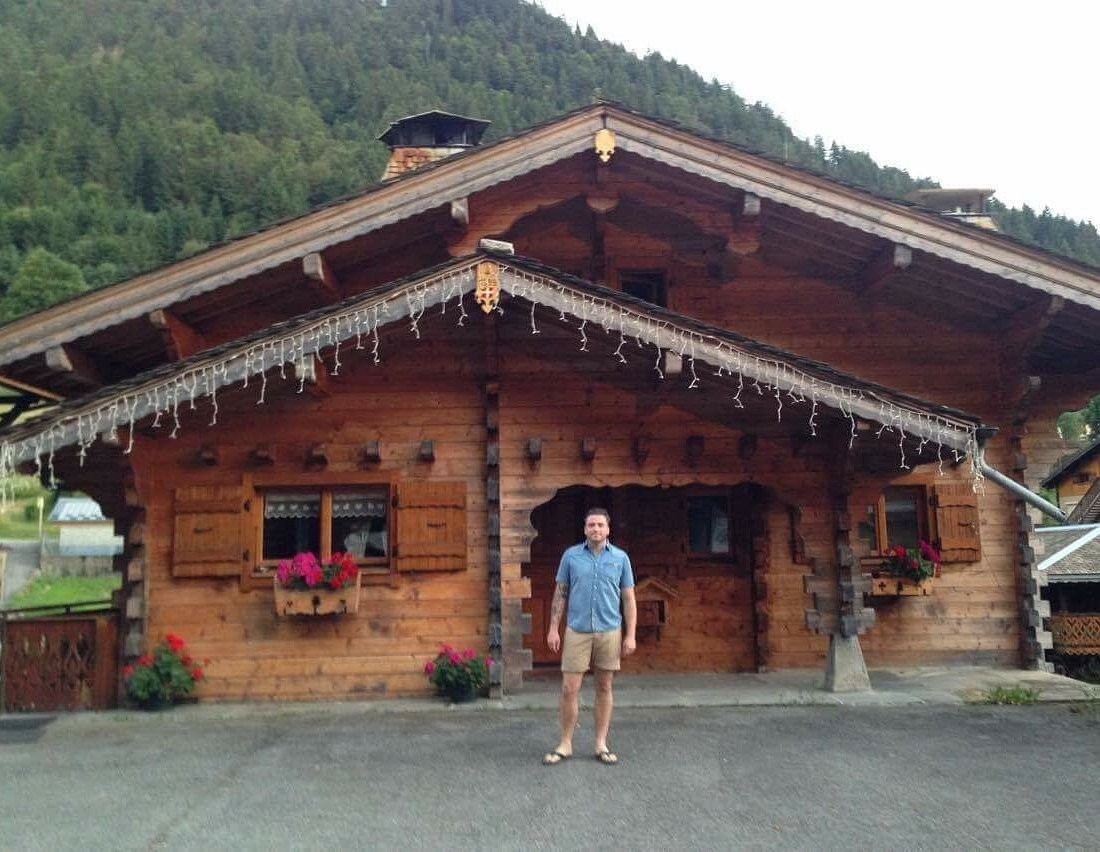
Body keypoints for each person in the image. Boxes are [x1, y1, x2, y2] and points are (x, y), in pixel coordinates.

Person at [542, 507, 636, 766]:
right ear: (585, 529)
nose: (596, 529)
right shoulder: (571, 557)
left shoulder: (620, 558)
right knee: (568, 688)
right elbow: (560, 592)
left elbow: (628, 598)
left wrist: (631, 635)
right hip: (577, 631)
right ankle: (565, 743)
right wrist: (553, 628)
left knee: (604, 687)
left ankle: (600, 743)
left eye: (600, 525)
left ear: (608, 529)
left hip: (609, 631)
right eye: (591, 525)